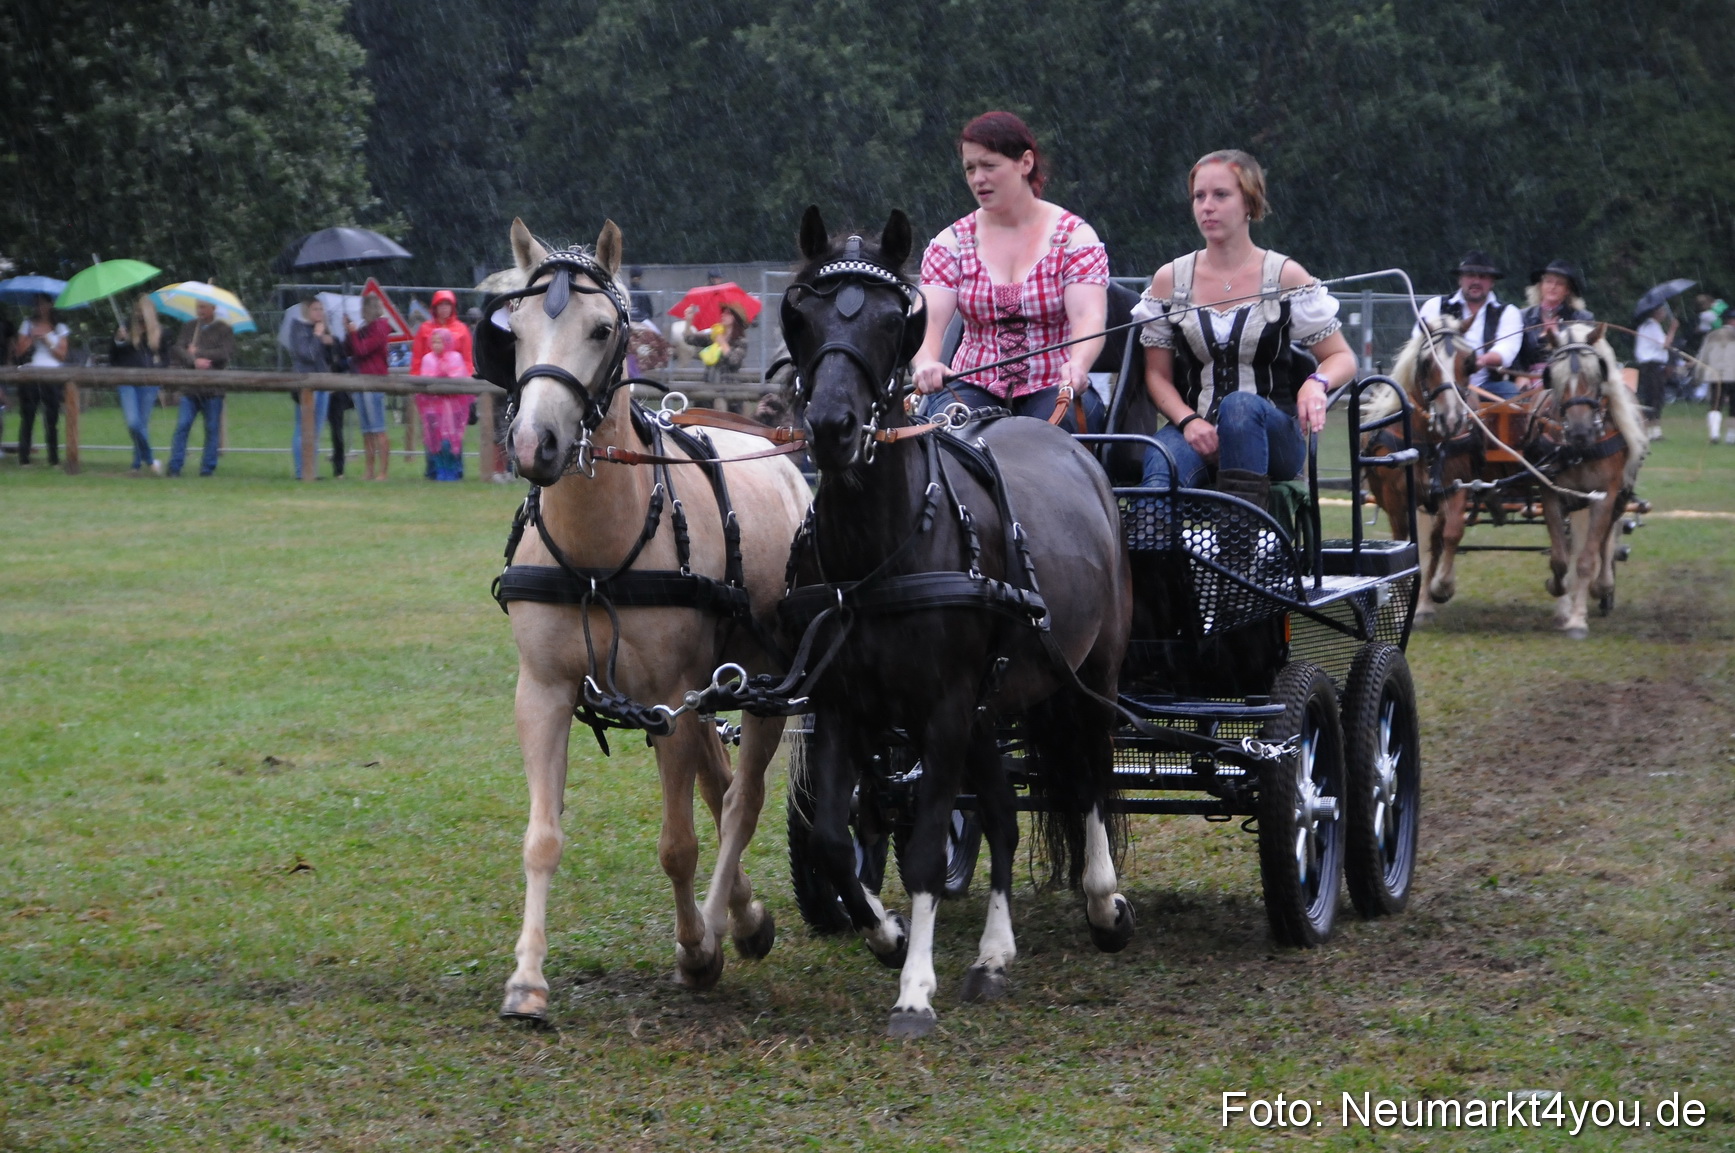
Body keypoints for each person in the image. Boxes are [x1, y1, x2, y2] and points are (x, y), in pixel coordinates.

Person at [1128, 150, 1356, 513]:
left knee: (1239, 407)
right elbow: (1156, 375)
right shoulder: (1169, 280)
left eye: (1221, 195)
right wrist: (1188, 422)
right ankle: (1157, 566)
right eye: (1199, 197)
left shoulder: (1286, 276)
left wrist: (1317, 382)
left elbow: (1342, 357)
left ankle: (1240, 549)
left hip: (1273, 435)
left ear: (1249, 202)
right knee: (1157, 485)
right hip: (1192, 428)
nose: (1207, 207)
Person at [912, 110, 1110, 426]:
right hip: (971, 386)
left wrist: (1079, 364)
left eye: (990, 166)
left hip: (1055, 386)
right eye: (970, 168)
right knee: (952, 437)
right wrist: (925, 363)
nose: (978, 178)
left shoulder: (1075, 237)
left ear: (1025, 163)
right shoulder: (950, 242)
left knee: (1048, 442)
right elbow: (930, 320)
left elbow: (1089, 317)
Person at [1413, 251, 1524, 400]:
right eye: (1470, 275)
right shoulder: (1434, 306)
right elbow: (1417, 344)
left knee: (1510, 393)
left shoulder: (1508, 312)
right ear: (1460, 279)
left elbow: (1506, 350)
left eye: (1483, 276)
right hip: (1438, 384)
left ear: (1492, 282)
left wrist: (1480, 361)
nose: (1476, 281)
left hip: (1486, 387)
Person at [166, 298, 234, 477]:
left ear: (213, 308)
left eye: (203, 307)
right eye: (198, 307)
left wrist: (200, 354)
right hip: (190, 388)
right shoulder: (189, 327)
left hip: (213, 389)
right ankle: (175, 466)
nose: (200, 310)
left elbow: (225, 353)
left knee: (212, 428)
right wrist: (193, 360)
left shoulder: (224, 329)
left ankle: (207, 468)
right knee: (183, 425)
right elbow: (178, 349)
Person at [283, 296, 340, 478]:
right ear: (307, 310)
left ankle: (311, 470)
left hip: (322, 383)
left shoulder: (323, 329)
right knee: (303, 428)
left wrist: (332, 343)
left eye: (321, 309)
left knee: (316, 430)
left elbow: (331, 358)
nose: (319, 313)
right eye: (315, 309)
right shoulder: (298, 328)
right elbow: (307, 355)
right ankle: (302, 471)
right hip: (305, 384)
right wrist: (316, 336)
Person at [111, 295, 167, 475]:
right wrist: (119, 341)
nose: (139, 315)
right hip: (127, 382)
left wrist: (155, 367)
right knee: (133, 423)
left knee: (142, 424)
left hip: (150, 384)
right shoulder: (125, 327)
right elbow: (114, 357)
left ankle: (136, 465)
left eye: (142, 312)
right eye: (137, 311)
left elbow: (165, 361)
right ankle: (151, 460)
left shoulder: (161, 333)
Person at [10, 294, 69, 467]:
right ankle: (24, 458)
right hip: (31, 373)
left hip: (52, 374)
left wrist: (48, 340)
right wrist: (32, 337)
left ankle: (53, 458)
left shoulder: (60, 327)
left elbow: (62, 355)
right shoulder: (27, 324)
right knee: (27, 415)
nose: (40, 307)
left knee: (51, 417)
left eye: (43, 304)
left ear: (50, 305)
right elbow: (19, 351)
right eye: (37, 304)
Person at [1516, 260, 1595, 378]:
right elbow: (1513, 353)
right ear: (1540, 285)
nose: (1553, 287)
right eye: (1548, 281)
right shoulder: (1522, 317)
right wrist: (1519, 376)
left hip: (1571, 379)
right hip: (1529, 380)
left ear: (1567, 290)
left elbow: (1590, 355)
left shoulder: (1582, 318)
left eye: (1560, 283)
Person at [415, 327, 472, 480]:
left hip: (452, 407)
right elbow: (424, 378)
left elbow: (459, 375)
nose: (436, 345)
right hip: (433, 407)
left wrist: (447, 376)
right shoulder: (428, 358)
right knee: (436, 441)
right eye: (433, 342)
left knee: (451, 441)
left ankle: (453, 470)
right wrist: (437, 379)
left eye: (439, 341)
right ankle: (439, 470)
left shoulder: (455, 357)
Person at [345, 294, 392, 480]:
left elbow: (362, 349)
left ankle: (383, 471)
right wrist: (349, 333)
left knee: (378, 428)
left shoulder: (380, 327)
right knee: (366, 430)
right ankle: (369, 470)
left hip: (374, 381)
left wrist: (354, 334)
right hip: (360, 380)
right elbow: (351, 350)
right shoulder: (365, 328)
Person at [1634, 302, 1677, 440]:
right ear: (1656, 312)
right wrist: (1673, 329)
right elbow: (1665, 344)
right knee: (1655, 398)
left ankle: (1653, 430)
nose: (1664, 314)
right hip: (1652, 365)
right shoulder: (1652, 326)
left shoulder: (1645, 326)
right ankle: (1652, 431)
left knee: (1652, 397)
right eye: (1662, 311)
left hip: (1649, 366)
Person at [1697, 319, 1735, 445]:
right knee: (1733, 407)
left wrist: (1699, 374)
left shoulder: (1712, 335)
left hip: (1715, 374)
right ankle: (1731, 436)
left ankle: (1714, 433)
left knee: (1715, 405)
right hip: (1733, 374)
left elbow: (1703, 356)